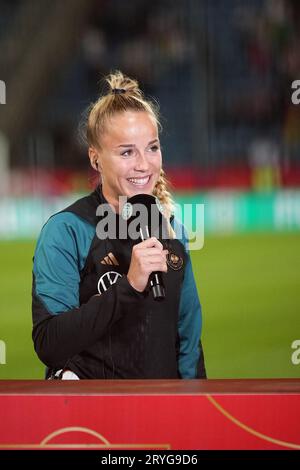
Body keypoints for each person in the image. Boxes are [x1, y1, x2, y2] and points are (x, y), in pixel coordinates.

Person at [32, 70, 206, 380]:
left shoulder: (173, 230)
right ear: (95, 159)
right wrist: (129, 286)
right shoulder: (66, 231)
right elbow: (50, 343)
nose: (144, 164)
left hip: (162, 417)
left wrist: (195, 413)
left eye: (152, 148)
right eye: (127, 152)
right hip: (90, 421)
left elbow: (189, 344)